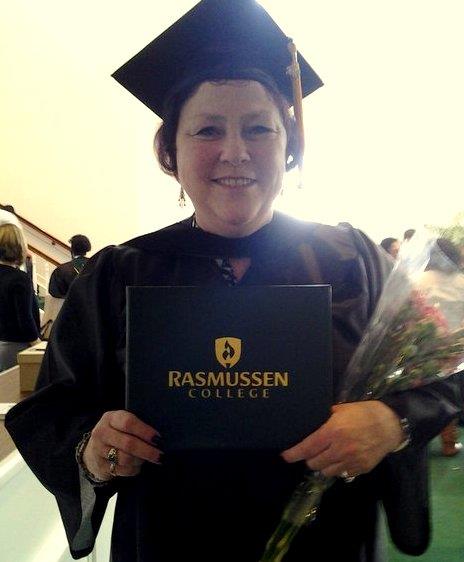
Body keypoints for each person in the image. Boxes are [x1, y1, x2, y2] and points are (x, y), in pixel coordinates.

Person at [5, 2, 460, 561]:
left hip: (328, 542)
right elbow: (52, 410)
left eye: (259, 128)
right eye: (208, 130)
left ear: (288, 144)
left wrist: (393, 422)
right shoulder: (119, 274)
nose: (235, 152)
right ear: (170, 151)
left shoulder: (353, 260)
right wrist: (93, 448)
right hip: (170, 543)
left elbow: (445, 373)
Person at [416, 238, 464, 456]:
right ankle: (449, 444)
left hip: (425, 346)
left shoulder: (418, 280)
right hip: (456, 348)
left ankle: (420, 439)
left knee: (423, 393)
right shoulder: (461, 280)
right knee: (449, 394)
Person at [0, 220, 40, 371]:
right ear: (19, 246)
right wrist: (37, 344)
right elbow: (25, 317)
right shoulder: (19, 278)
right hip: (15, 345)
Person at [48, 234, 91, 298]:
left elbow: (54, 292)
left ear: (72, 249)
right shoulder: (97, 265)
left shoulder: (61, 270)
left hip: (71, 303)